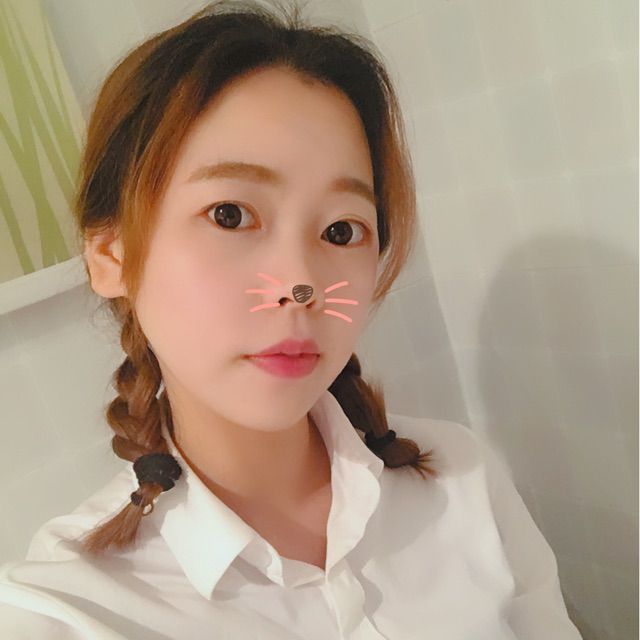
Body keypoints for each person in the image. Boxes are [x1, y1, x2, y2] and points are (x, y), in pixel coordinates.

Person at [0, 1, 584, 638]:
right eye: (230, 215)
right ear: (111, 255)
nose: (299, 285)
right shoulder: (66, 610)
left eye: (341, 230)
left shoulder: (460, 475)